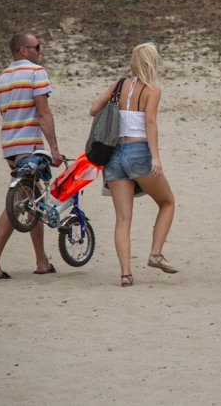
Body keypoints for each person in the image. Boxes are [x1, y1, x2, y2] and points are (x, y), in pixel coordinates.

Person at [0, 33, 62, 282]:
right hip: (29, 147)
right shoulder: (36, 72)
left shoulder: (0, 79)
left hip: (10, 149)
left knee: (31, 199)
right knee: (19, 202)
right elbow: (43, 114)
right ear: (24, 50)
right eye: (37, 47)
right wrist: (54, 149)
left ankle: (42, 261)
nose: (40, 51)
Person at [89, 43, 177, 287]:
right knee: (167, 202)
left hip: (113, 154)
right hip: (138, 152)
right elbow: (150, 122)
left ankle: (126, 274)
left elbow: (93, 110)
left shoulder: (118, 85)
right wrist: (155, 157)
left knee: (122, 219)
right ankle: (155, 253)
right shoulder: (152, 89)